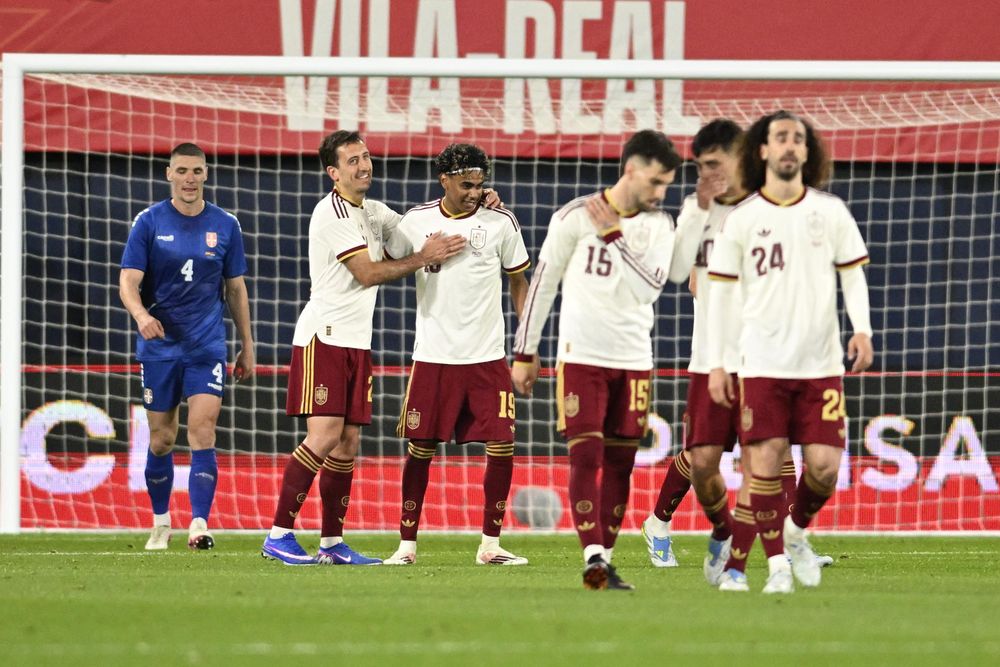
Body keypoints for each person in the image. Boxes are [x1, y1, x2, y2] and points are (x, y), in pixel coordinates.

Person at [640, 120, 835, 586]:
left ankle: (783, 546)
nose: (708, 173)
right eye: (702, 166)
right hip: (715, 351)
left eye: (715, 163)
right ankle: (665, 523)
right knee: (704, 457)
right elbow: (684, 275)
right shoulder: (702, 208)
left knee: (771, 452)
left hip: (766, 354)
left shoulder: (771, 203)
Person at [260, 130, 469, 565]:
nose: (364, 166)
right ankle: (278, 534)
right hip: (326, 338)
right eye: (352, 160)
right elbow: (368, 273)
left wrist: (475, 204)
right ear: (333, 173)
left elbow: (419, 232)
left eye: (366, 157)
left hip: (356, 343)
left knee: (348, 444)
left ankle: (332, 544)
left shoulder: (372, 212)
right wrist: (420, 257)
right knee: (324, 436)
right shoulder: (331, 212)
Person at [706, 110, 874, 594]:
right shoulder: (742, 219)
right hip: (760, 363)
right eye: (779, 138)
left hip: (820, 365)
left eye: (797, 139)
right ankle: (773, 566)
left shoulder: (830, 211)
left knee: (823, 468)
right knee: (763, 466)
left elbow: (852, 274)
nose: (788, 146)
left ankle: (796, 531)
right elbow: (719, 295)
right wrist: (719, 362)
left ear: (806, 152)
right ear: (762, 150)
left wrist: (861, 329)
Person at [511, 130, 686, 590]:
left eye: (666, 185)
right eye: (654, 182)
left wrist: (614, 237)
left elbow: (650, 289)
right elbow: (542, 285)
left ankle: (604, 561)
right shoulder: (572, 217)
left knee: (621, 464)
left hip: (633, 359)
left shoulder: (659, 225)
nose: (660, 193)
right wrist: (525, 352)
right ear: (631, 169)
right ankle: (592, 553)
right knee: (585, 456)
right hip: (581, 356)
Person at [382, 143, 531, 567]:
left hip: (487, 357)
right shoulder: (416, 220)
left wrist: (526, 342)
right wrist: (419, 256)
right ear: (443, 180)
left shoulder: (501, 221)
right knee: (420, 449)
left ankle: (490, 544)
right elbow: (387, 262)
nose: (474, 191)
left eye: (480, 183)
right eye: (466, 183)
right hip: (433, 356)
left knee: (502, 446)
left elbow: (520, 280)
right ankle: (406, 546)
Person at [120, 142, 255, 551]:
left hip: (206, 345)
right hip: (161, 347)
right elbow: (128, 282)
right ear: (168, 174)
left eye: (196, 171)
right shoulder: (148, 222)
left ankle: (199, 524)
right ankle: (162, 522)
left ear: (206, 174)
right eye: (182, 171)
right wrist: (142, 316)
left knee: (203, 429)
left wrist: (247, 344)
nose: (189, 179)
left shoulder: (226, 224)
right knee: (161, 438)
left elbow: (235, 289)